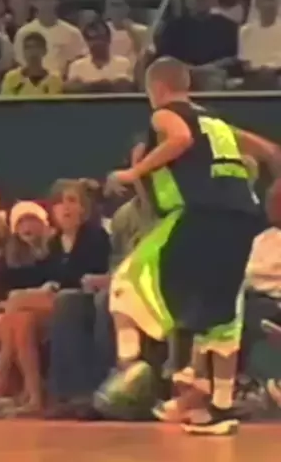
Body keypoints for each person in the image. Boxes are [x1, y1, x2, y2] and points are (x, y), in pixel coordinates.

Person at [104, 56, 281, 435]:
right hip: (242, 220)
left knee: (127, 282)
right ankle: (216, 407)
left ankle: (131, 366)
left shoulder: (165, 114)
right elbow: (269, 150)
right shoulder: (217, 123)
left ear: (156, 88)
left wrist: (134, 172)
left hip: (201, 216)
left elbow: (180, 138)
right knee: (220, 315)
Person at [1, 32, 63, 96]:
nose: (33, 51)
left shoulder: (55, 79)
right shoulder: (11, 78)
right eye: (28, 47)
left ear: (45, 50)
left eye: (37, 47)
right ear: (23, 52)